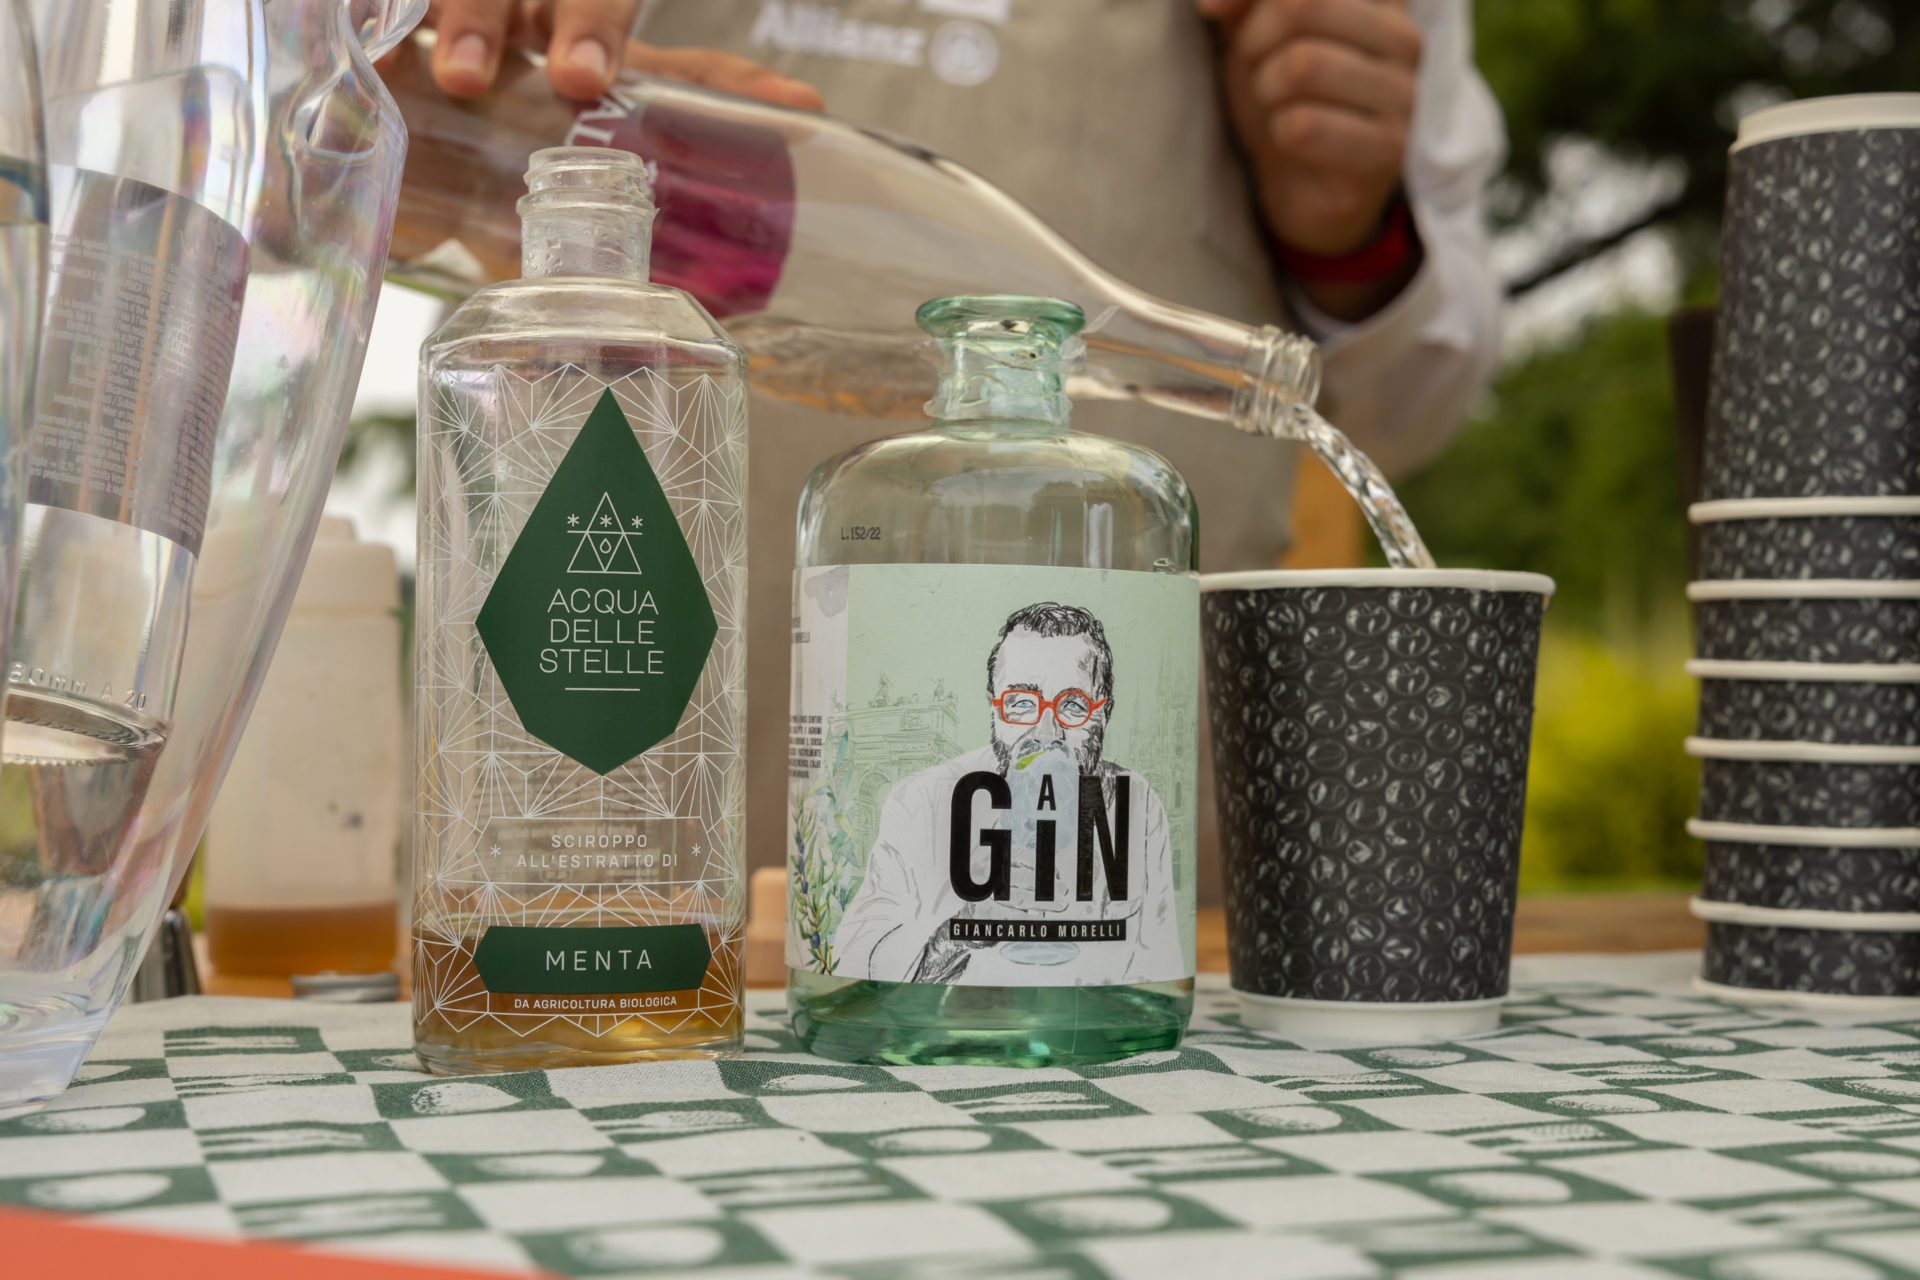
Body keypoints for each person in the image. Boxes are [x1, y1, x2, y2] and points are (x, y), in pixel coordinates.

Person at [414, 0, 1508, 898]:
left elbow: (1412, 407)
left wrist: (1352, 229)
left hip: (1129, 910)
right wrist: (418, 98)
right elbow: (328, 142)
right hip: (563, 867)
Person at [831, 603, 1181, 986]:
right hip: (949, 1015)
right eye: (1021, 704)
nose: (1047, 733)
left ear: (1105, 713)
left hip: (1092, 1013)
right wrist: (963, 928)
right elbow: (854, 967)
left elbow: (1156, 973)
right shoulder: (919, 803)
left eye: (1073, 705)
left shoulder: (1137, 804)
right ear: (995, 710)